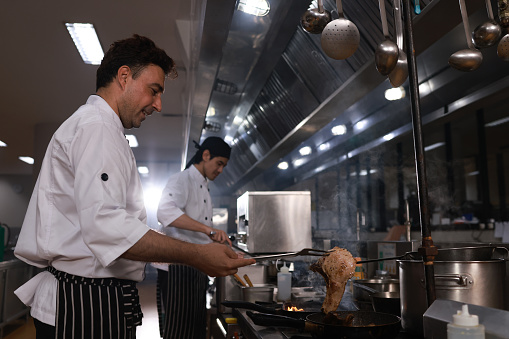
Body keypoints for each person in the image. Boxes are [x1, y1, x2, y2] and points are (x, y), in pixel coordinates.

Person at [13, 34, 254, 339]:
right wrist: (198, 254)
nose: (158, 104)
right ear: (124, 77)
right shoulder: (97, 127)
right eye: (154, 91)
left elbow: (115, 225)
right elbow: (107, 228)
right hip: (83, 302)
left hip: (94, 296)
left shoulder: (103, 128)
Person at [155, 136, 233, 339]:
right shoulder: (182, 179)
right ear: (205, 155)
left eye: (224, 165)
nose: (221, 170)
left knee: (194, 331)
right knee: (178, 333)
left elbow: (197, 229)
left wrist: (213, 239)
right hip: (177, 271)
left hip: (194, 270)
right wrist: (209, 231)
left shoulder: (204, 186)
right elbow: (165, 212)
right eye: (219, 163)